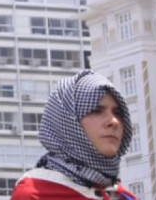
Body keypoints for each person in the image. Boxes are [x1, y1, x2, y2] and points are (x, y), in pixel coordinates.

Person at [11, 70, 138, 200]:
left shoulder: (123, 196)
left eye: (117, 112)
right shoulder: (36, 194)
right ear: (67, 120)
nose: (114, 121)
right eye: (96, 111)